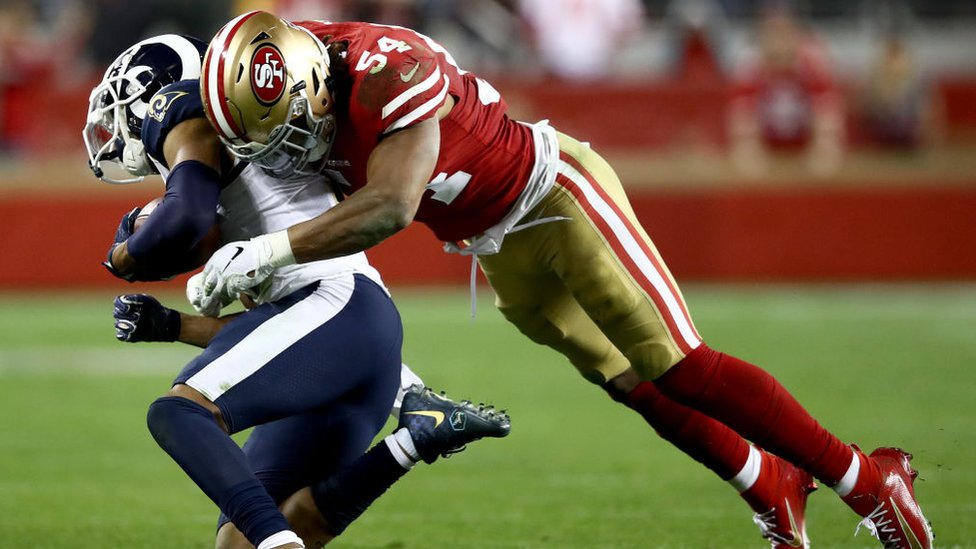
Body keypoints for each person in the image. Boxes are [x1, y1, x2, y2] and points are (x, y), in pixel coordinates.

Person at [195, 11, 934, 549]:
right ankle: (770, 486)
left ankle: (870, 483)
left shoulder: (387, 68)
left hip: (554, 195)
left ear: (317, 83)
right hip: (493, 244)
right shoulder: (275, 79)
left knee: (680, 364)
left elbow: (391, 204)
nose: (288, 153)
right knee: (633, 383)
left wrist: (269, 252)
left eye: (293, 132)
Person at [83, 34, 510, 549]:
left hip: (335, 308)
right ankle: (413, 440)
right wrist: (171, 325)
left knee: (178, 412)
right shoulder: (245, 135)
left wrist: (123, 257)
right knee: (240, 542)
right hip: (349, 335)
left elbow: (186, 218)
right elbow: (280, 334)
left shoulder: (181, 110)